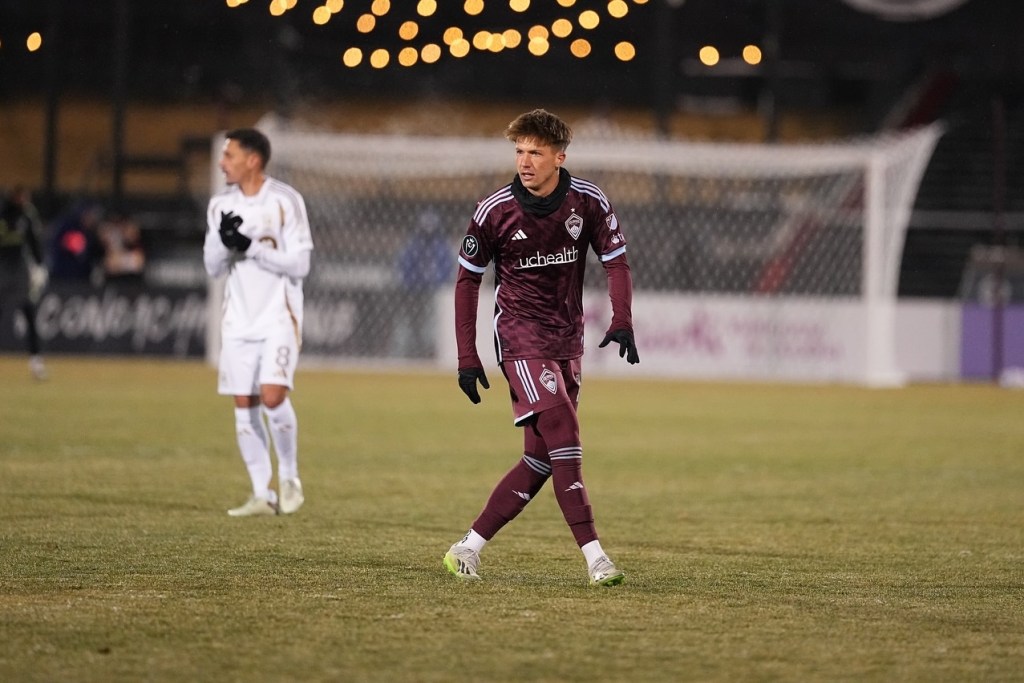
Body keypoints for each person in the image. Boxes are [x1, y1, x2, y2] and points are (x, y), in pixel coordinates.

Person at [443, 109, 640, 587]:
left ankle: (467, 548)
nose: (524, 161)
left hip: (566, 339)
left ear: (559, 157)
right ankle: (596, 558)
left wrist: (623, 319)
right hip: (520, 336)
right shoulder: (495, 211)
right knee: (564, 434)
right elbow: (467, 281)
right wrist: (467, 356)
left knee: (540, 459)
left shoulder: (587, 201)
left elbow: (617, 263)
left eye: (535, 152)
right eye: (519, 152)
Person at [203, 127, 314, 517]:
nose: (222, 163)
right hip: (238, 319)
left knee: (272, 396)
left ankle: (289, 476)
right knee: (243, 403)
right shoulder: (220, 204)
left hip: (278, 316)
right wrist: (224, 240)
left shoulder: (285, 200)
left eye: (228, 155)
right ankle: (260, 494)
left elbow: (301, 264)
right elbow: (212, 266)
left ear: (253, 159)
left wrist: (249, 247)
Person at [391, 207, 454, 359]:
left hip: (434, 291)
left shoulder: (441, 246)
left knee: (430, 323)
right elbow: (404, 266)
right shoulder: (414, 245)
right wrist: (412, 282)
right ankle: (403, 353)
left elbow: (448, 268)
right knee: (408, 322)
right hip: (412, 291)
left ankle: (429, 352)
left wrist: (438, 283)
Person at [0, 186, 49, 380]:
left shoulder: (27, 216)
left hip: (19, 271)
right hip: (3, 269)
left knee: (29, 314)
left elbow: (34, 242)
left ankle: (36, 363)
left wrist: (39, 266)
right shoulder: (5, 214)